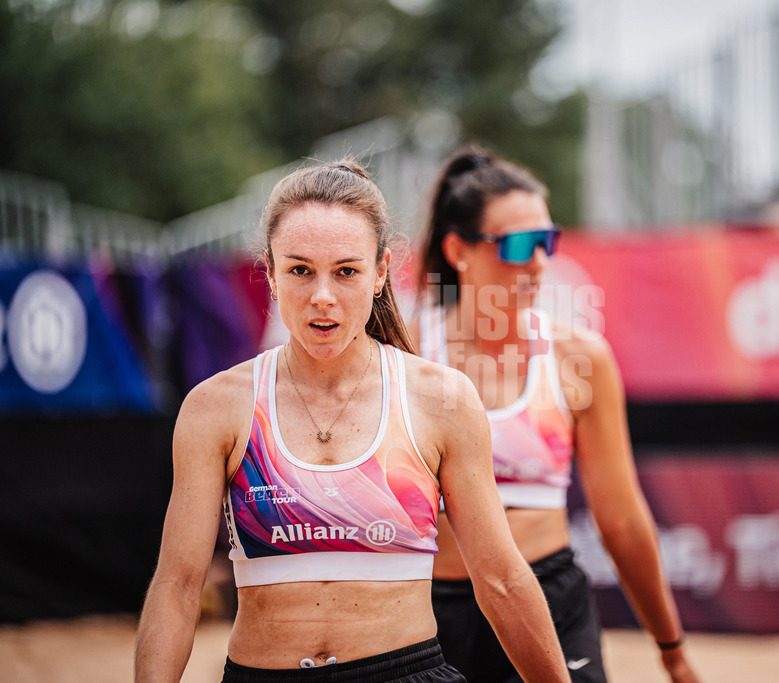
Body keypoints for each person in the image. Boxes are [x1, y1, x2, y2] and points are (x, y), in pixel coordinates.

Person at [134, 159, 571, 683]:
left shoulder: (442, 399)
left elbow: (501, 579)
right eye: (300, 270)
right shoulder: (216, 407)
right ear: (270, 272)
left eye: (346, 271)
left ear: (381, 272)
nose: (323, 296)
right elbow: (178, 588)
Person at [411, 145, 702, 683]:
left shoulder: (578, 358)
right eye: (520, 244)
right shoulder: (404, 354)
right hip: (428, 611)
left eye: (547, 241)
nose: (540, 262)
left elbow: (621, 520)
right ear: (457, 249)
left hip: (550, 602)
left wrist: (673, 651)